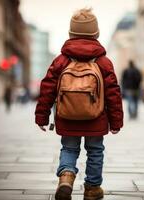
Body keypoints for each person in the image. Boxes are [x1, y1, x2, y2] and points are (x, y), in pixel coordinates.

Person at [35, 8, 123, 200]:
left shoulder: (61, 60)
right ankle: (92, 189)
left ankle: (66, 177)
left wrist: (42, 116)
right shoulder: (103, 62)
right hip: (96, 117)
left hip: (67, 117)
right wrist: (116, 122)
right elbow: (113, 93)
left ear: (70, 33)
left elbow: (47, 87)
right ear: (96, 33)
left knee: (68, 148)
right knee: (95, 151)